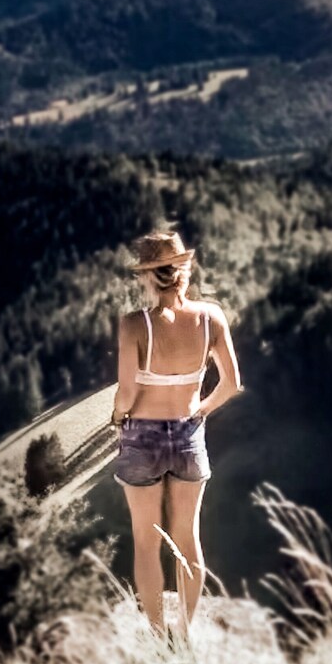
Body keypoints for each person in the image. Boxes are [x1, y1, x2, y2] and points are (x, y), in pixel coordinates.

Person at [110, 230, 243, 639]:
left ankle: (157, 635)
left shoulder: (135, 325)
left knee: (147, 541)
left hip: (142, 437)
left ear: (149, 276)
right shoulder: (211, 318)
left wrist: (118, 417)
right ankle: (183, 632)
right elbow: (232, 384)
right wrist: (200, 411)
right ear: (184, 270)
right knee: (188, 537)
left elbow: (127, 393)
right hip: (188, 433)